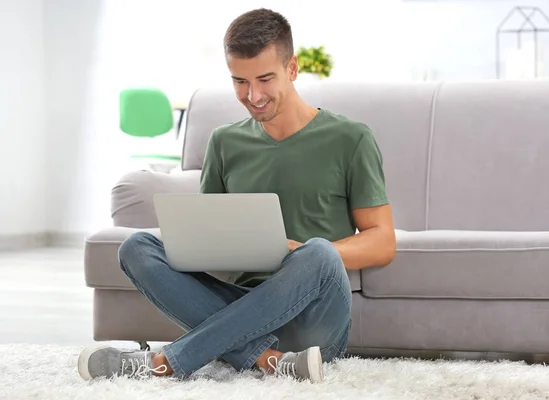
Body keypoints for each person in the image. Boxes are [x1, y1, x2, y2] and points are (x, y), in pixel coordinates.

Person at [77, 8, 396, 384]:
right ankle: (270, 360)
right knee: (136, 247)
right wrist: (204, 245)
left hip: (314, 320)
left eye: (265, 79)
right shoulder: (225, 141)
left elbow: (382, 242)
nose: (253, 95)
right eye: (240, 82)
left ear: (292, 69)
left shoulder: (350, 138)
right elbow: (207, 239)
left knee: (320, 253)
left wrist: (299, 252)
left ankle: (165, 362)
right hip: (239, 304)